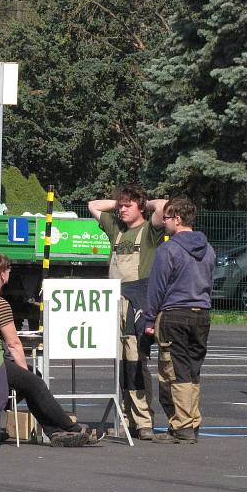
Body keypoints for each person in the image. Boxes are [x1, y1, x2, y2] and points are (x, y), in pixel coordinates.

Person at [0, 253, 90, 446]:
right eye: (8, 270)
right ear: (3, 275)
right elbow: (14, 344)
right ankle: (71, 428)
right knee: (35, 383)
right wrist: (24, 373)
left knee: (30, 380)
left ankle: (54, 432)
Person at [88, 185, 167, 441]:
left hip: (138, 300)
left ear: (141, 207)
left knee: (136, 361)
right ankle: (126, 416)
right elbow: (93, 205)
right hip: (114, 299)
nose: (121, 209)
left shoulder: (150, 231)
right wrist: (121, 202)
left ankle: (144, 421)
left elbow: (164, 206)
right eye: (120, 205)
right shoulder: (116, 229)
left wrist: (142, 202)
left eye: (127, 205)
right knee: (120, 361)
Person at [143, 197, 215, 444]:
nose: (164, 223)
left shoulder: (169, 249)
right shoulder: (209, 248)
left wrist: (149, 319)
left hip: (174, 315)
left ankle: (181, 426)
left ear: (177, 219)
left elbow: (157, 287)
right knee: (193, 370)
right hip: (202, 314)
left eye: (166, 218)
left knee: (174, 371)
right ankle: (192, 422)